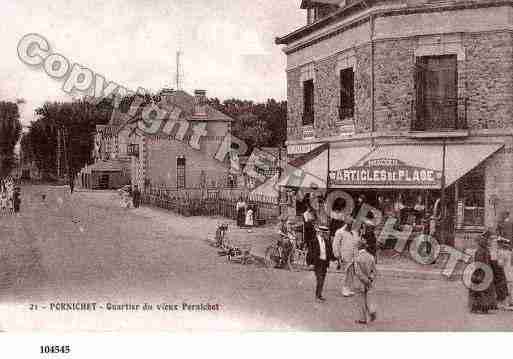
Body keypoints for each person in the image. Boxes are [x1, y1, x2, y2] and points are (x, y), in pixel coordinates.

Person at [468, 231, 497, 314]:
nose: (489, 242)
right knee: (481, 289)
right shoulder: (482, 251)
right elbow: (480, 263)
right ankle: (480, 307)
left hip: (484, 271)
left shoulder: (484, 250)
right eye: (488, 241)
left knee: (482, 289)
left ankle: (481, 307)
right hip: (482, 271)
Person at [307, 225, 335, 302]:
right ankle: (317, 296)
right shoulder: (314, 241)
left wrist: (335, 259)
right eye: (323, 232)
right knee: (320, 279)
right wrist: (310, 263)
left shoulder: (327, 242)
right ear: (319, 232)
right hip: (317, 263)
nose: (324, 234)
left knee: (322, 280)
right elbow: (310, 253)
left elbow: (330, 253)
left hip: (324, 263)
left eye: (325, 233)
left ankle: (319, 295)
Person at [354, 239, 377, 324]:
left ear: (358, 247)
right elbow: (374, 271)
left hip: (360, 283)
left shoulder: (357, 258)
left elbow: (358, 272)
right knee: (368, 298)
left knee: (361, 300)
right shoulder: (371, 256)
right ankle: (371, 311)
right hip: (369, 282)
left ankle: (363, 318)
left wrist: (365, 280)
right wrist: (370, 279)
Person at [334, 221, 359, 297]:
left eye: (352, 224)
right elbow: (336, 244)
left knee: (351, 273)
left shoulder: (354, 233)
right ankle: (344, 289)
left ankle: (348, 288)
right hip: (344, 256)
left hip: (353, 256)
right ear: (346, 224)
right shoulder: (340, 232)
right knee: (346, 273)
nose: (351, 226)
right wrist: (338, 256)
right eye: (349, 224)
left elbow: (356, 244)